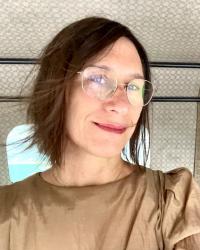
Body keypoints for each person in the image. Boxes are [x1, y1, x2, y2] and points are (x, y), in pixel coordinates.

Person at [0, 16, 200, 250]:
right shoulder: (6, 211)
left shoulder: (173, 201)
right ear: (57, 89)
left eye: (134, 87)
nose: (121, 104)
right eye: (98, 79)